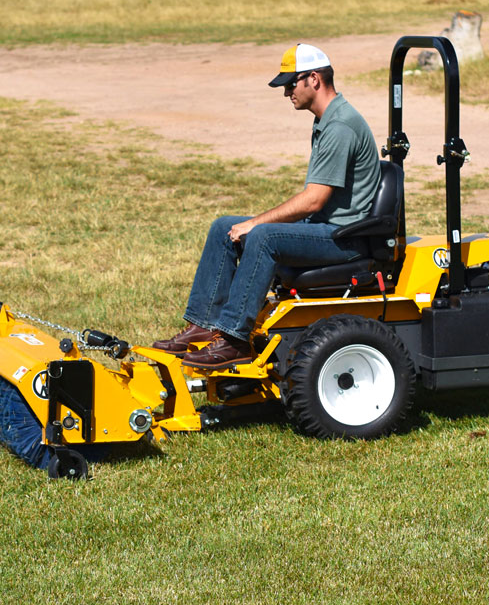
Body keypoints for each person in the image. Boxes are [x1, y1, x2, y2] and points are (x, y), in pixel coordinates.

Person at [153, 43, 381, 367]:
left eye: (291, 83)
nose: (286, 91)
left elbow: (315, 199)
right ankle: (203, 326)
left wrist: (256, 223)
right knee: (223, 228)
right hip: (324, 226)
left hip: (345, 238)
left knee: (262, 237)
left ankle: (234, 339)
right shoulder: (327, 119)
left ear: (314, 79)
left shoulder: (340, 125)